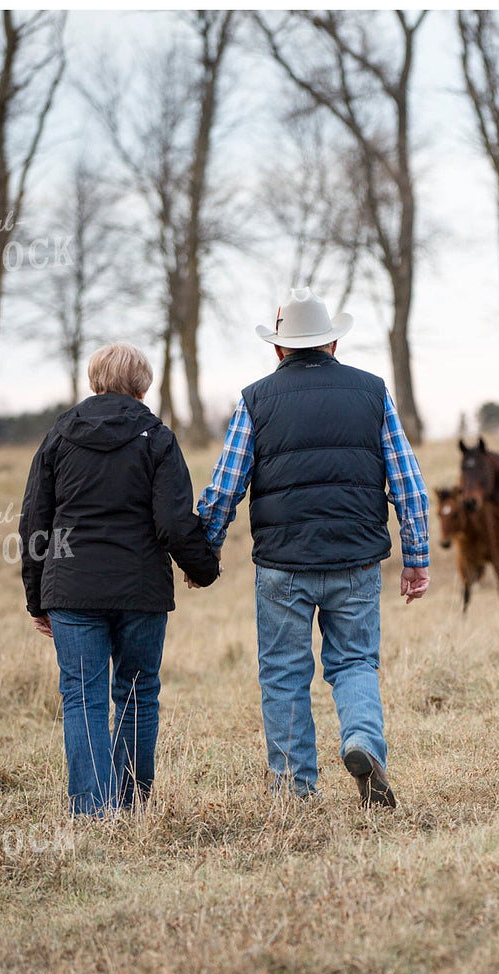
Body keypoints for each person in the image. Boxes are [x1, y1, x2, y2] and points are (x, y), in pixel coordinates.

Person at [197, 288, 429, 807]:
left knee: (284, 672)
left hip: (282, 566)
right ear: (333, 342)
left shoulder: (255, 399)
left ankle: (294, 791)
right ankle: (363, 741)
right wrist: (416, 559)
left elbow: (225, 485)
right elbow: (409, 483)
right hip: (357, 560)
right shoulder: (373, 392)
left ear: (279, 349)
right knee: (354, 663)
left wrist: (206, 549)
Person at [20, 342, 221, 816]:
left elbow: (34, 523)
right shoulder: (157, 438)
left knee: (83, 698)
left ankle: (93, 810)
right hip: (140, 590)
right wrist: (203, 570)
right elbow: (173, 523)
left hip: (72, 590)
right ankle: (131, 804)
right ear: (143, 384)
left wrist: (37, 598)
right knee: (136, 692)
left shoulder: (59, 436)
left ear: (94, 380)